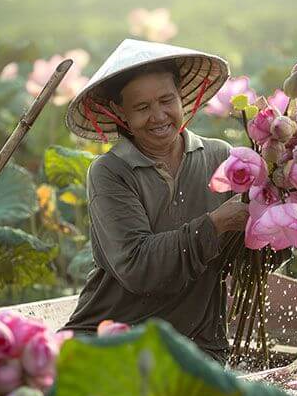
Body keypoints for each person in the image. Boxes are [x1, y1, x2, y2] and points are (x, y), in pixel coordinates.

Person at [60, 39, 248, 362]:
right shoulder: (109, 172)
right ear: (121, 112)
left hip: (199, 347)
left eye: (166, 100)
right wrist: (215, 224)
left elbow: (248, 260)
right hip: (112, 341)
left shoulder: (222, 158)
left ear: (181, 98)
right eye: (142, 108)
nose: (159, 116)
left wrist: (285, 208)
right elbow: (138, 266)